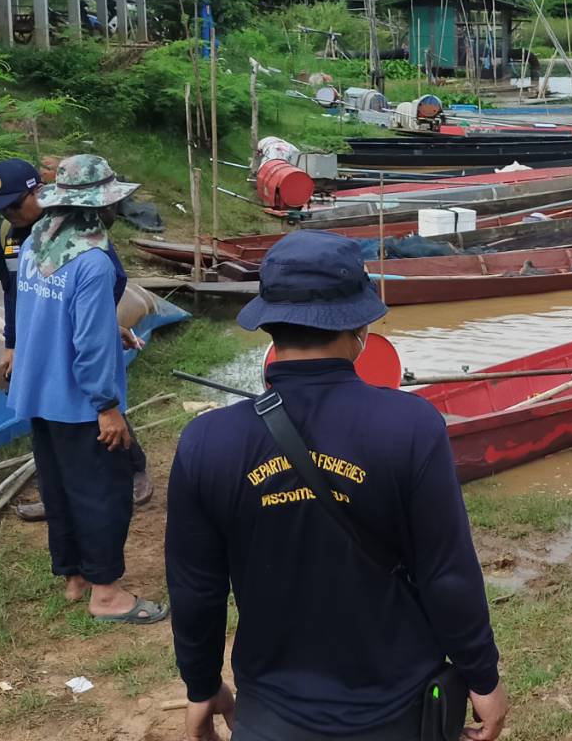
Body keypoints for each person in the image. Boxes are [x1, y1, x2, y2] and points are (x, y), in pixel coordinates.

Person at [167, 230, 507, 741]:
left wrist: (201, 685)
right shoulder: (411, 427)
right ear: (360, 324)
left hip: (269, 718)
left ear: (268, 324)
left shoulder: (207, 442)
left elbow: (197, 589)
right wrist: (482, 676)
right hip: (399, 714)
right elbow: (446, 572)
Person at [8, 154, 166, 624]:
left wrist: (107, 327)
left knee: (58, 488)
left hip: (39, 391)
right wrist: (107, 406)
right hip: (79, 401)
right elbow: (89, 345)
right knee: (102, 493)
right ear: (100, 206)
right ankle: (107, 594)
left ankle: (75, 578)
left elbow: (46, 316)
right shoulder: (93, 261)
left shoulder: (36, 244)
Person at [0, 158, 153, 520]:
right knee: (48, 419)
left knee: (96, 408)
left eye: (15, 204)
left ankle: (132, 468)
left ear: (39, 193)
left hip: (74, 330)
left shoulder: (79, 232)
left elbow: (112, 280)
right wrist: (12, 343)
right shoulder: (10, 237)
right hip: (39, 338)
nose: (9, 213)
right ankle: (56, 497)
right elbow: (11, 291)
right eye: (2, 208)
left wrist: (99, 324)